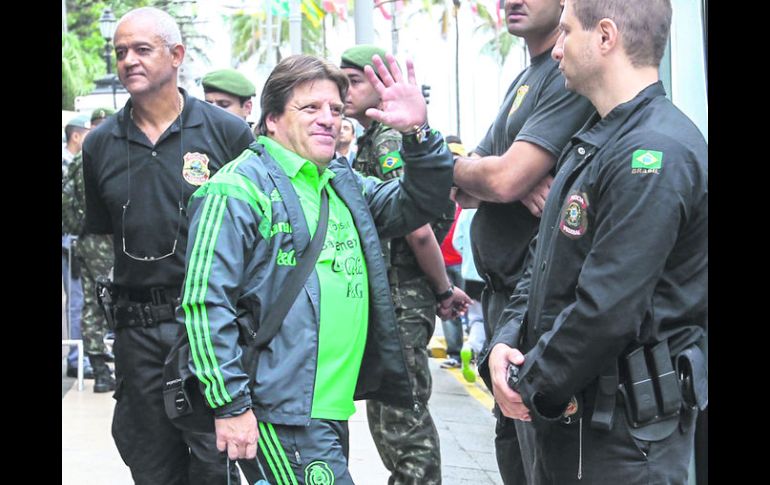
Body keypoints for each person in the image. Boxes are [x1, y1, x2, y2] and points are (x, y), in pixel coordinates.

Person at [178, 53, 454, 485]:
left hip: (326, 406)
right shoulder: (235, 190)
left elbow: (419, 204)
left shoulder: (341, 183)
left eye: (337, 110)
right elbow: (203, 304)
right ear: (271, 119)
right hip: (277, 409)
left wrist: (418, 134)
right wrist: (230, 405)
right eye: (310, 108)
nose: (329, 119)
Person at [481, 0, 708, 483]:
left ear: (605, 37)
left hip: (625, 439)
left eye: (566, 33)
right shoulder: (597, 142)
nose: (557, 50)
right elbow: (540, 266)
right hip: (575, 422)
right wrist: (504, 343)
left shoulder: (655, 152)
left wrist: (528, 383)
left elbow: (607, 307)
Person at [81, 7, 255, 484]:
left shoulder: (226, 132)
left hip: (208, 333)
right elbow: (100, 245)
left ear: (176, 55)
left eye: (142, 49)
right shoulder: (99, 145)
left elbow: (258, 236)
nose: (129, 61)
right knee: (150, 463)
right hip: (137, 336)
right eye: (121, 53)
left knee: (213, 466)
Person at [451, 0, 595, 482]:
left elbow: (504, 178)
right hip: (504, 303)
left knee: (541, 458)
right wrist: (493, 174)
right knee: (513, 452)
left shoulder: (566, 74)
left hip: (538, 303)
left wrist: (506, 175)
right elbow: (469, 186)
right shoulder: (526, 76)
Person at [341, 44, 470, 485]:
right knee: (392, 417)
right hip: (394, 297)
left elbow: (417, 227)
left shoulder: (390, 140)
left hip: (402, 297)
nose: (346, 91)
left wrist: (441, 290)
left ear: (384, 86)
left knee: (402, 421)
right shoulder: (370, 140)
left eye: (355, 80)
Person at [63, 107, 117, 393]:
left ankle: (99, 368)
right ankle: (112, 366)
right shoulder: (108, 152)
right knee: (115, 301)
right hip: (109, 241)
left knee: (91, 304)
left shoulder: (80, 157)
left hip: (85, 240)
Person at [62, 113, 93, 379]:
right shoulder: (66, 165)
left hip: (76, 242)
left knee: (81, 300)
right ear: (76, 136)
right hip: (68, 243)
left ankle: (82, 358)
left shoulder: (79, 163)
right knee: (76, 302)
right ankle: (76, 359)